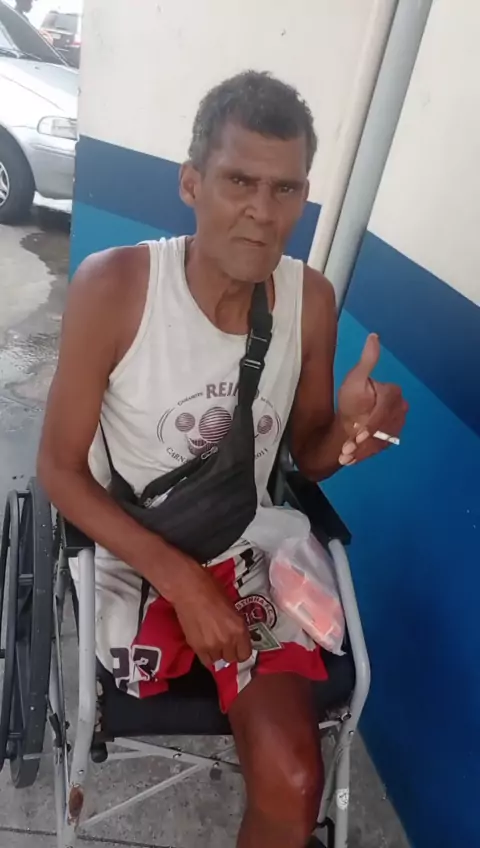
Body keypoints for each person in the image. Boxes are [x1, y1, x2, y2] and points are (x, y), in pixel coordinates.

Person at [38, 71, 407, 848]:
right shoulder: (118, 288)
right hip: (131, 547)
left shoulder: (309, 301)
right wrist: (179, 581)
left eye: (285, 189)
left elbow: (306, 457)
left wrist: (350, 435)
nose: (262, 211)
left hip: (240, 544)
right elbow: (60, 469)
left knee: (296, 779)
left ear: (303, 198)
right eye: (240, 181)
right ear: (191, 183)